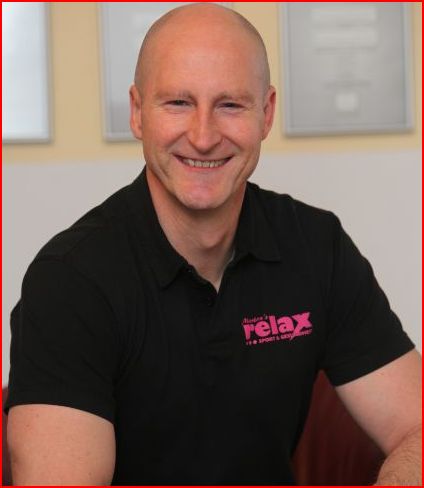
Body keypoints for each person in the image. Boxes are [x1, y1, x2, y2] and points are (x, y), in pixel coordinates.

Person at [5, 3, 421, 486]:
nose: (203, 137)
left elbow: (417, 426)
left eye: (230, 105)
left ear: (266, 113)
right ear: (137, 112)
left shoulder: (317, 247)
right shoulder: (69, 282)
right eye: (178, 103)